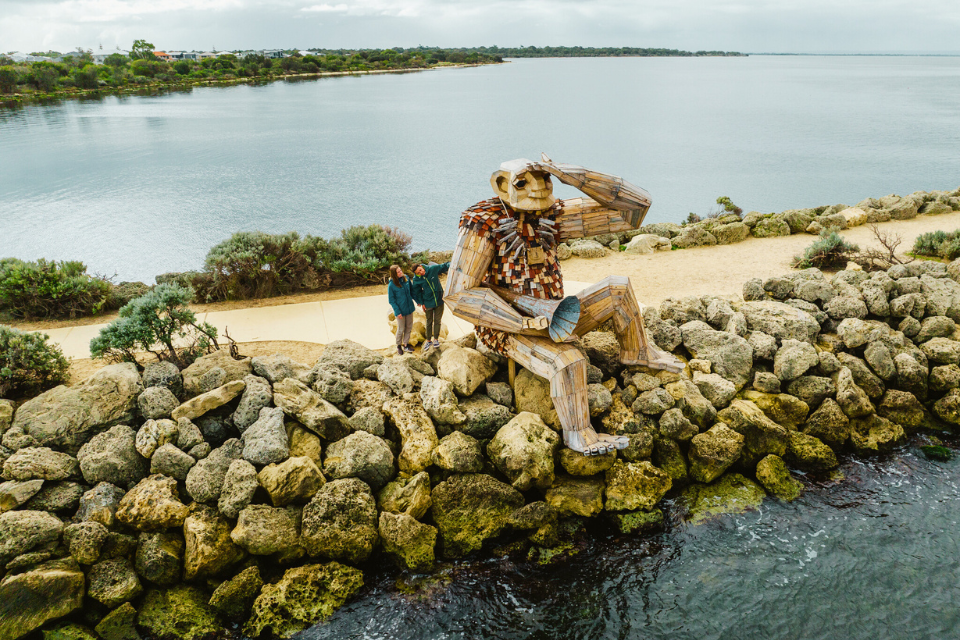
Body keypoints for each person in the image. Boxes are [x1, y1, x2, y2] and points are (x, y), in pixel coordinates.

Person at [411, 261, 450, 349]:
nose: (421, 273)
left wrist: (453, 264)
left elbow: (443, 266)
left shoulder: (432, 269)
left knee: (437, 321)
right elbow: (417, 292)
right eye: (418, 273)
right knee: (429, 321)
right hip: (428, 302)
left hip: (439, 300)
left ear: (421, 266)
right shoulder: (417, 279)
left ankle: (436, 339)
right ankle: (428, 341)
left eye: (420, 270)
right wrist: (422, 303)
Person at [387, 264, 415, 355]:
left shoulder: (406, 278)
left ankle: (406, 344)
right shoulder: (391, 285)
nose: (401, 272)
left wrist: (419, 301)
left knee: (409, 327)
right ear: (394, 274)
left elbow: (412, 291)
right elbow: (391, 300)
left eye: (400, 270)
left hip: (409, 308)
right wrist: (397, 311)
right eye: (398, 272)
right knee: (401, 328)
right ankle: (398, 345)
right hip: (400, 311)